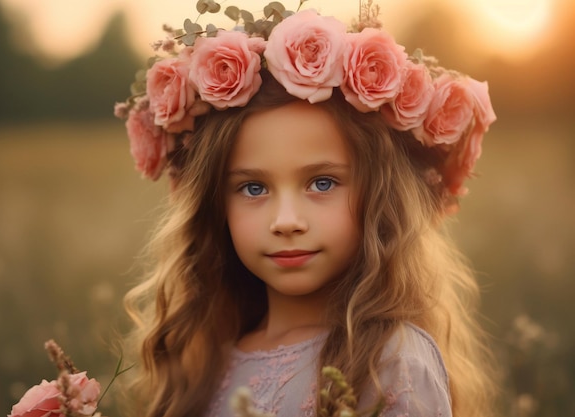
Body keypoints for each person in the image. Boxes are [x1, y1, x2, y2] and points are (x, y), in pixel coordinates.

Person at [114, 2, 497, 417]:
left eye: (322, 182)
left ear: (378, 195)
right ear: (214, 206)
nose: (287, 221)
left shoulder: (390, 362)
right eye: (253, 187)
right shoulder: (201, 363)